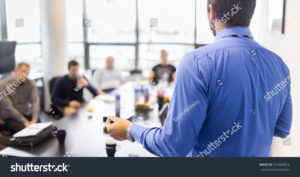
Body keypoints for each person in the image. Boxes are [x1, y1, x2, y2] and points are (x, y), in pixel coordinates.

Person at [106, 0, 292, 157]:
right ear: (251, 12)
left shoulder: (196, 63)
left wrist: (130, 130)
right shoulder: (279, 65)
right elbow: (282, 128)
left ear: (211, 11)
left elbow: (173, 146)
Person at [0, 63, 40, 134]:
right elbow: (9, 108)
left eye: (27, 72)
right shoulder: (3, 85)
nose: (25, 75)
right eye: (23, 72)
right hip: (10, 117)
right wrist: (25, 121)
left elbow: (35, 101)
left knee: (40, 127)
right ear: (15, 72)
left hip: (25, 113)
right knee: (27, 131)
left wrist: (34, 119)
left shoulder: (30, 83)